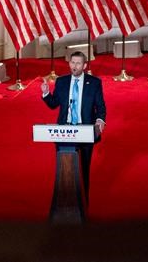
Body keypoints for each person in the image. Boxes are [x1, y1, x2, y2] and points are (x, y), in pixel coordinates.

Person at [40, 51, 106, 200]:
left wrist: (100, 120)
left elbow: (100, 106)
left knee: (83, 169)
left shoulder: (94, 83)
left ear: (84, 65)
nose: (74, 66)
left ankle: (83, 202)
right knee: (64, 168)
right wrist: (46, 93)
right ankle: (64, 200)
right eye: (72, 62)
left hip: (85, 132)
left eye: (78, 63)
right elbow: (53, 104)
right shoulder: (61, 81)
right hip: (65, 132)